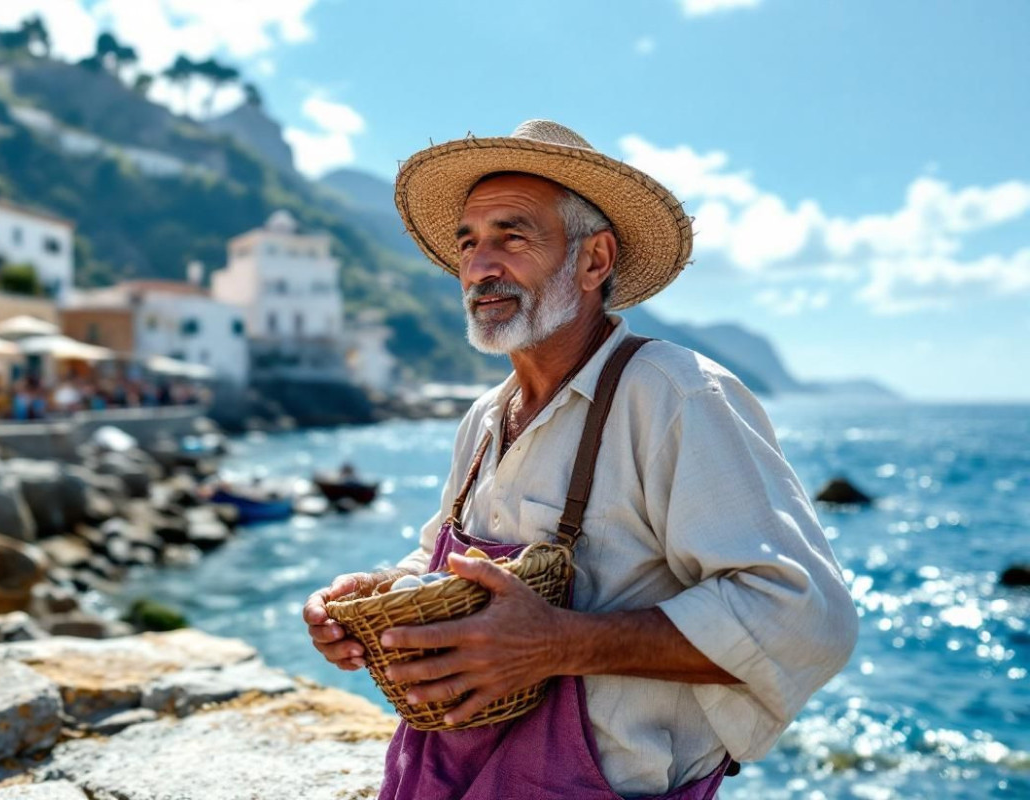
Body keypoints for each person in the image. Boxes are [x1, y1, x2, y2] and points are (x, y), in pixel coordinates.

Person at [302, 120, 858, 799]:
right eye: (468, 244)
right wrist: (375, 599)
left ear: (594, 261)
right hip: (438, 775)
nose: (480, 267)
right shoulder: (484, 417)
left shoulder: (676, 395)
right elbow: (443, 567)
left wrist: (560, 642)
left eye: (512, 236)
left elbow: (806, 619)